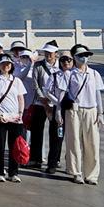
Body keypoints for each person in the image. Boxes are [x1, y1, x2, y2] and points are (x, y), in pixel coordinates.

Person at [51, 44, 104, 185]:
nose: (84, 58)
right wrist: (58, 111)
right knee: (73, 141)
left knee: (92, 143)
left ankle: (92, 175)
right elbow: (61, 94)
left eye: (87, 55)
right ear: (74, 57)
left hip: (91, 111)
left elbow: (97, 94)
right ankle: (76, 172)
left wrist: (100, 113)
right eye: (81, 55)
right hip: (74, 111)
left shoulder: (94, 74)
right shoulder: (69, 74)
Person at [0, 55, 25, 182]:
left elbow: (21, 98)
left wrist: (20, 113)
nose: (6, 66)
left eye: (8, 64)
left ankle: (13, 173)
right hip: (1, 116)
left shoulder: (17, 81)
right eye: (3, 64)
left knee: (15, 146)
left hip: (15, 117)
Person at [29, 42, 62, 174]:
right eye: (46, 52)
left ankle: (54, 161)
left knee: (56, 133)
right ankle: (35, 159)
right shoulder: (38, 66)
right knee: (37, 131)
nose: (48, 55)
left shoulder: (61, 66)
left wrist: (53, 102)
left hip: (56, 104)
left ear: (56, 54)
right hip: (40, 103)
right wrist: (44, 101)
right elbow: (35, 84)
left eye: (50, 53)